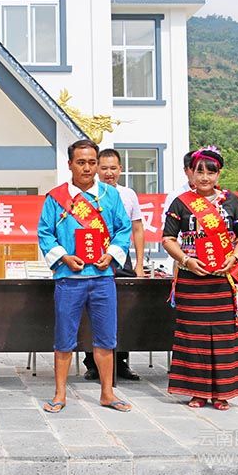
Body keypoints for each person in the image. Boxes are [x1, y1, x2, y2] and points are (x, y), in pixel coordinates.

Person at [37, 139, 132, 414]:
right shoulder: (56, 198)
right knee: (64, 337)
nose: (87, 168)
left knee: (106, 337)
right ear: (70, 164)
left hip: (102, 277)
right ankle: (59, 394)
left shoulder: (110, 195)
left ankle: (107, 393)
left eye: (92, 162)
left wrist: (111, 255)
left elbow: (124, 229)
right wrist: (64, 257)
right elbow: (45, 233)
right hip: (68, 278)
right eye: (81, 162)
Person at [161, 146, 238, 410]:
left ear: (218, 173)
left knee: (224, 335)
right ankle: (197, 391)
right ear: (191, 173)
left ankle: (223, 392)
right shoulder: (181, 202)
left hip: (223, 279)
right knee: (193, 336)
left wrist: (234, 257)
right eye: (199, 171)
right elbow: (168, 239)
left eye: (210, 172)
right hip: (192, 280)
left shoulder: (231, 201)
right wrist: (186, 260)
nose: (204, 177)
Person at [82, 148, 143, 382]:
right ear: (96, 169)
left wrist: (138, 264)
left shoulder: (128, 194)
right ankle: (92, 364)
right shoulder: (87, 194)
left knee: (122, 311)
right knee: (93, 309)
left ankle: (121, 363)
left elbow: (137, 229)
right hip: (92, 256)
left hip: (120, 257)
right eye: (104, 168)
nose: (109, 173)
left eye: (113, 168)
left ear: (120, 169)